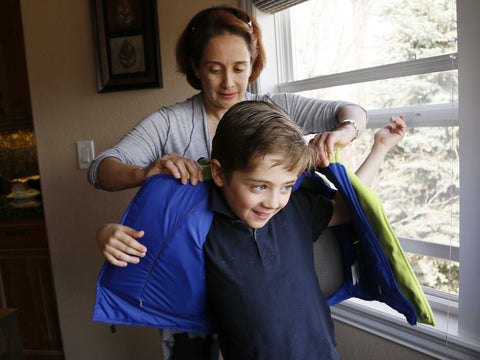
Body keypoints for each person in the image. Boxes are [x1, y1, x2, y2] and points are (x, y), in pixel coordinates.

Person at [88, 5, 367, 360]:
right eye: (214, 69)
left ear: (254, 64)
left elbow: (351, 111)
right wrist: (145, 172)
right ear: (195, 68)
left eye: (240, 68)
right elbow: (101, 169)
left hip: (268, 291)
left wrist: (345, 132)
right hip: (197, 292)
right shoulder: (171, 123)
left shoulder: (273, 110)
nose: (229, 83)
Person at [93, 101, 406, 360]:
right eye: (259, 186)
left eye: (285, 186)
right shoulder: (199, 224)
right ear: (219, 173)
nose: (273, 201)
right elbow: (146, 247)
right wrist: (107, 234)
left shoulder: (296, 208)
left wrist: (379, 148)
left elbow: (351, 206)